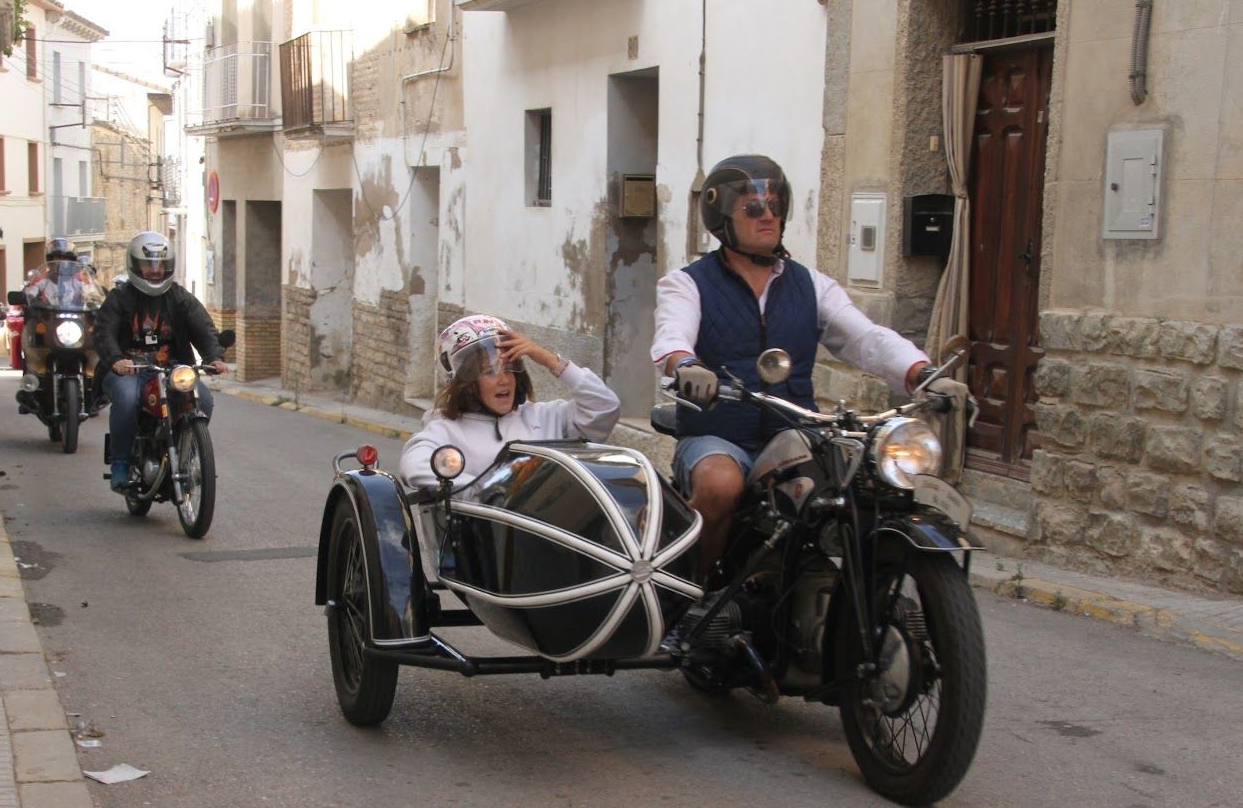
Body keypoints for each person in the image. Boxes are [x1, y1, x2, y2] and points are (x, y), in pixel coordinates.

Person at [651, 154, 968, 578]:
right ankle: (691, 590)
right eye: (753, 207)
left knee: (858, 484)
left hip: (793, 431)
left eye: (776, 204)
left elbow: (864, 338)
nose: (768, 214)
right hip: (718, 431)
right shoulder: (688, 283)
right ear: (722, 215)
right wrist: (685, 365)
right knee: (719, 486)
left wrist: (921, 374)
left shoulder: (811, 285)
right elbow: (672, 334)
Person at [400, 314, 621, 489]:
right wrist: (489, 493)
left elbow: (605, 406)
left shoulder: (546, 417)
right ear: (466, 383)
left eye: (509, 368)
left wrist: (547, 358)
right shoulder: (445, 429)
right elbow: (414, 466)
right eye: (489, 372)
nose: (504, 380)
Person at [94, 231, 228, 492]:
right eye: (148, 265)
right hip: (130, 369)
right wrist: (116, 360)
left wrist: (215, 357)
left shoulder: (180, 298)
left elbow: (203, 327)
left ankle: (186, 451)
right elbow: (103, 331)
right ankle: (121, 463)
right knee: (126, 399)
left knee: (204, 399)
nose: (155, 272)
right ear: (135, 265)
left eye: (161, 266)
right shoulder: (119, 298)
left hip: (172, 368)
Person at [25, 239, 89, 307]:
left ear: (71, 263)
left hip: (74, 315)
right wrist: (29, 296)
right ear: (50, 262)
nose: (61, 264)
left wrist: (92, 297)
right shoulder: (42, 283)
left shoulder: (77, 283)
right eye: (58, 259)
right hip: (46, 315)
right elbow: (31, 293)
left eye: (65, 259)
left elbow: (91, 293)